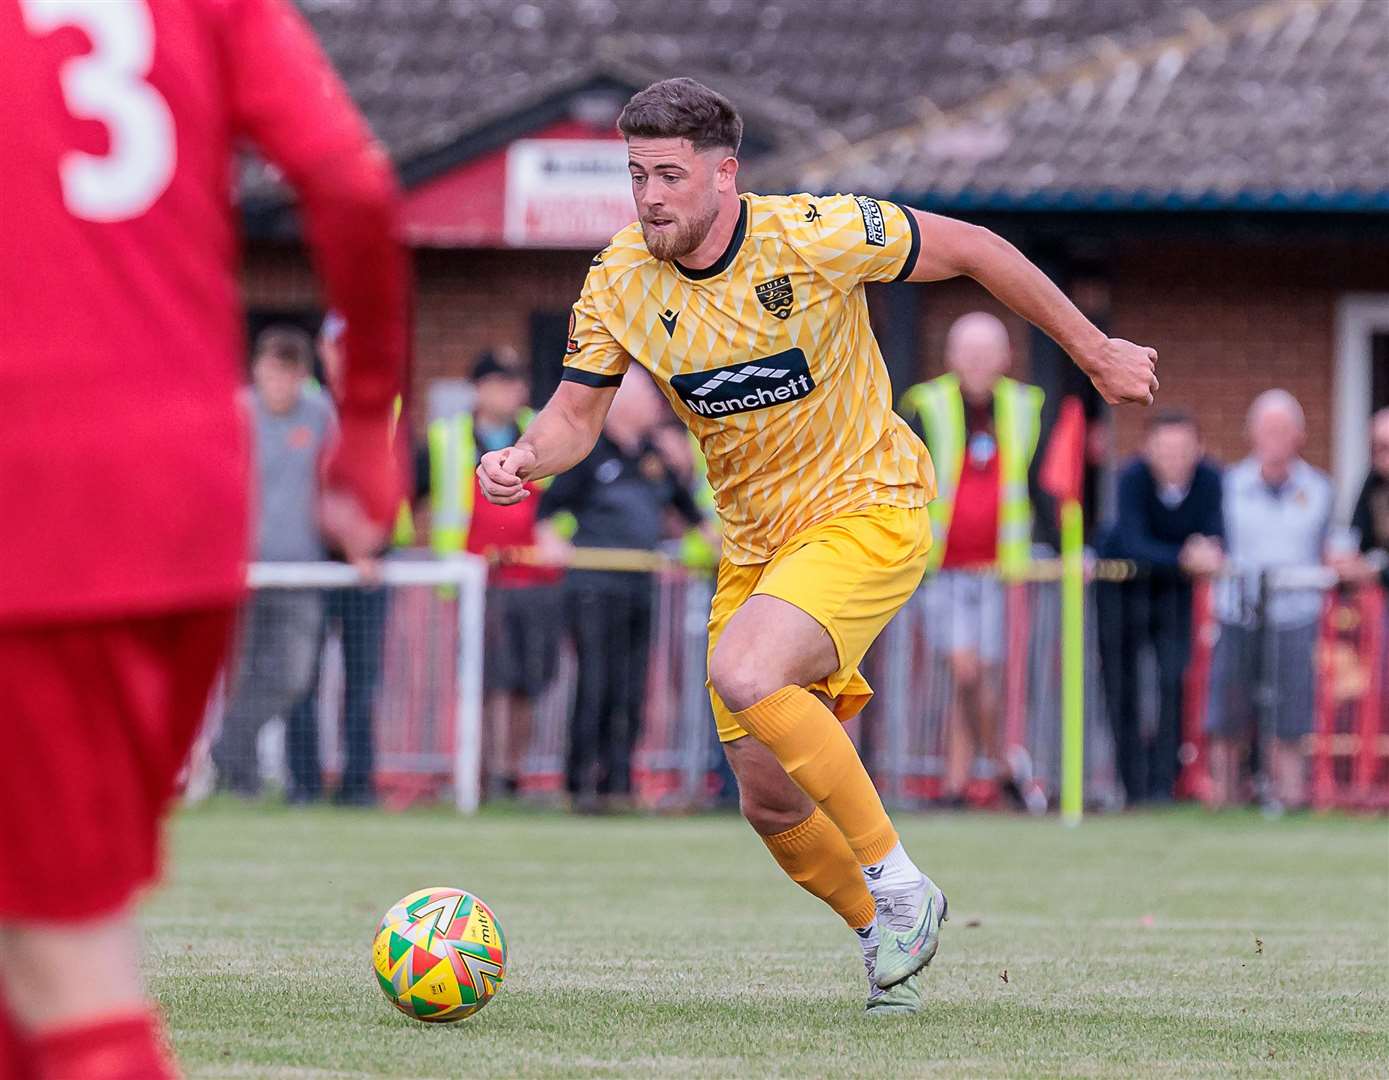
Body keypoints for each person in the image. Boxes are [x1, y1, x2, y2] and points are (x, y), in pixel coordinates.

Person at [476, 78, 1156, 1015]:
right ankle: (886, 941)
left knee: (747, 671)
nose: (649, 197)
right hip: (757, 546)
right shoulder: (617, 279)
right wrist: (522, 457)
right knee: (767, 798)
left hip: (867, 507)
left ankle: (902, 882)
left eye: (668, 175)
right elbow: (573, 418)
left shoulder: (814, 233)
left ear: (725, 173)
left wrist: (1093, 351)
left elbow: (976, 248)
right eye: (635, 175)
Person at [0, 0, 407, 1075]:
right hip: (180, 516)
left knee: (64, 959)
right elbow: (354, 184)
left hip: (35, 528)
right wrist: (366, 419)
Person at [536, 369, 705, 811]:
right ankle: (579, 785)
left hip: (638, 586)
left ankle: (620, 784)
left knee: (631, 687)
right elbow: (548, 511)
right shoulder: (590, 455)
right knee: (595, 683)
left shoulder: (653, 457)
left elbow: (691, 514)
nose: (654, 405)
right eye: (647, 396)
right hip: (593, 587)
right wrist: (551, 543)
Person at [900, 312, 1048, 806]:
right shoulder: (927, 404)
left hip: (1001, 571)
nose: (979, 363)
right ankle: (1006, 765)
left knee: (981, 677)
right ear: (951, 357)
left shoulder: (1026, 407)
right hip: (943, 568)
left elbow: (1045, 489)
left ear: (1007, 358)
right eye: (970, 352)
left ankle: (958, 782)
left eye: (989, 353)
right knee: (964, 672)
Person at [285, 313, 411, 806]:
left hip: (370, 563)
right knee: (302, 677)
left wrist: (368, 545)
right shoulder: (307, 406)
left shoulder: (385, 407)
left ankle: (358, 784)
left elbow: (392, 480)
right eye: (338, 347)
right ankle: (304, 784)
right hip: (314, 558)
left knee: (362, 679)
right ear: (324, 349)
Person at [423, 351, 563, 796]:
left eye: (515, 382)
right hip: (477, 581)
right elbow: (417, 496)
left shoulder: (545, 434)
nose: (510, 391)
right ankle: (475, 773)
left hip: (535, 578)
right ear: (479, 388)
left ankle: (510, 772)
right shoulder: (449, 437)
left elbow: (563, 503)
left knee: (526, 681)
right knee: (481, 682)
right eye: (499, 382)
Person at [213, 326, 336, 796]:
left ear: (302, 374)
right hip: (240, 572)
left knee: (292, 674)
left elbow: (338, 482)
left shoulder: (321, 413)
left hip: (301, 569)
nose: (279, 382)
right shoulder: (236, 414)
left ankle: (228, 750)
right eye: (271, 370)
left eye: (289, 373)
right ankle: (239, 777)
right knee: (239, 675)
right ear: (258, 369)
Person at [1207, 391, 1332, 810]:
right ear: (1250, 434)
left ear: (1299, 435)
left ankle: (1289, 797)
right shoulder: (1229, 485)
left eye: (1282, 430)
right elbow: (1213, 545)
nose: (1274, 438)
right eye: (1266, 429)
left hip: (1297, 616)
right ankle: (1224, 800)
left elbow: (1332, 548)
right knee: (1228, 713)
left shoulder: (1319, 489)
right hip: (1238, 613)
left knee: (1292, 716)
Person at [1097, 411, 1224, 804]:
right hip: (1120, 591)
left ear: (1198, 450)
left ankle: (1162, 785)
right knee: (1122, 686)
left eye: (1183, 450)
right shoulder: (1132, 479)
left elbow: (1216, 536)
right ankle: (1132, 786)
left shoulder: (1211, 480)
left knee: (1174, 682)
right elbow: (1135, 544)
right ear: (1148, 450)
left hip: (1172, 595)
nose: (1173, 459)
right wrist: (1186, 557)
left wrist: (1207, 552)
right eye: (1165, 450)